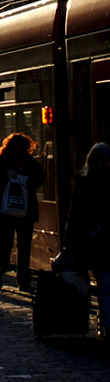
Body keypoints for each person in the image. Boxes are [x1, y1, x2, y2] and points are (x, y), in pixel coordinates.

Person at [0, 133, 46, 292]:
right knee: (5, 243)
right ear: (11, 146)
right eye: (18, 144)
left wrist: (24, 178)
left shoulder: (29, 163)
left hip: (25, 211)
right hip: (5, 211)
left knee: (25, 246)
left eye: (24, 145)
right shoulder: (0, 162)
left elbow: (40, 177)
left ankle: (23, 281)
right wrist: (6, 178)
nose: (21, 148)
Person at [63, 142, 110, 340]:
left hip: (99, 240)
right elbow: (75, 217)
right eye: (103, 162)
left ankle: (106, 321)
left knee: (106, 285)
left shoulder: (85, 186)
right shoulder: (85, 187)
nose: (106, 166)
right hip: (99, 242)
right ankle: (108, 323)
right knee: (106, 284)